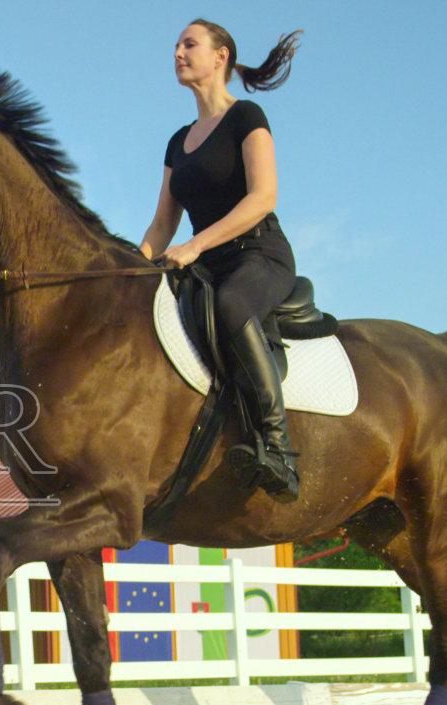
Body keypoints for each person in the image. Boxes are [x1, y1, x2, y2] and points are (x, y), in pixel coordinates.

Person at [140, 19, 304, 503]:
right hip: (204, 264)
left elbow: (264, 197)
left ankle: (277, 449)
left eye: (189, 44)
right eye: (175, 46)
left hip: (259, 254)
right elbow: (162, 226)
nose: (177, 53)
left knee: (232, 305)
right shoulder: (177, 142)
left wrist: (195, 246)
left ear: (221, 56)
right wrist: (130, 270)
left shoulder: (246, 116)